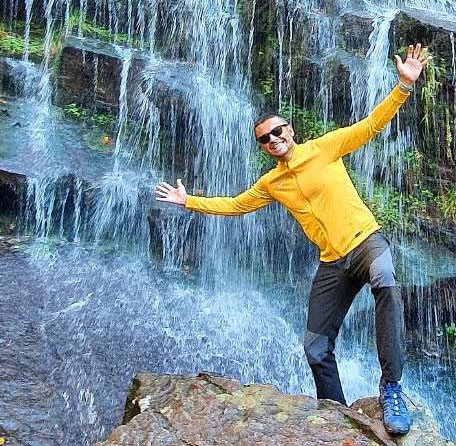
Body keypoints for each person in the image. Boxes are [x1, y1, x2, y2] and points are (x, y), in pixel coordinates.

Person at [155, 43, 433, 436]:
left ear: (290, 130)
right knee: (316, 347)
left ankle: (391, 389)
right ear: (264, 148)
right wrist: (189, 201)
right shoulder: (272, 182)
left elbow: (372, 124)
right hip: (332, 262)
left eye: (277, 131)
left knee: (386, 282)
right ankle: (337, 417)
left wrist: (403, 86)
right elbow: (236, 205)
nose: (273, 140)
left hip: (366, 241)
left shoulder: (326, 147)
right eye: (265, 139)